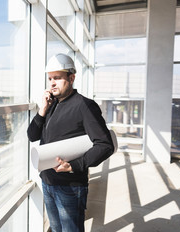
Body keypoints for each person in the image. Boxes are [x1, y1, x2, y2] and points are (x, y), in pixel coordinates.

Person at [27, 53, 114, 232]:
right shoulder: (51, 105)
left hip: (70, 187)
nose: (52, 83)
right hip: (48, 181)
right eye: (50, 78)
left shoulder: (84, 105)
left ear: (72, 78)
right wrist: (42, 110)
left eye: (57, 78)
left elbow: (105, 145)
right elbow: (32, 135)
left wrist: (74, 165)